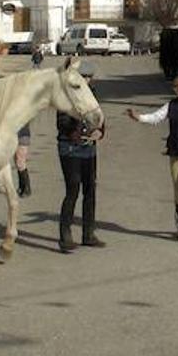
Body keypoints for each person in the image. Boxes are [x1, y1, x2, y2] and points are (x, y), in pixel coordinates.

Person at [127, 73, 178, 245]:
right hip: (175, 150)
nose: (177, 90)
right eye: (175, 87)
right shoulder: (171, 105)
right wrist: (139, 117)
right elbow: (156, 117)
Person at [56, 107, 105, 252]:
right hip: (70, 148)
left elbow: (99, 117)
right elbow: (62, 123)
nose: (87, 82)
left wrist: (100, 131)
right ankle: (65, 236)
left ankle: (88, 233)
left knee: (90, 189)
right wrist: (79, 132)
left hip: (89, 148)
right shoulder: (66, 99)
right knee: (73, 190)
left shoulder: (91, 96)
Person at [15, 122, 33, 196]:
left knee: (20, 162)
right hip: (15, 135)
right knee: (17, 161)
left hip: (22, 136)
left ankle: (26, 188)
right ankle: (21, 186)